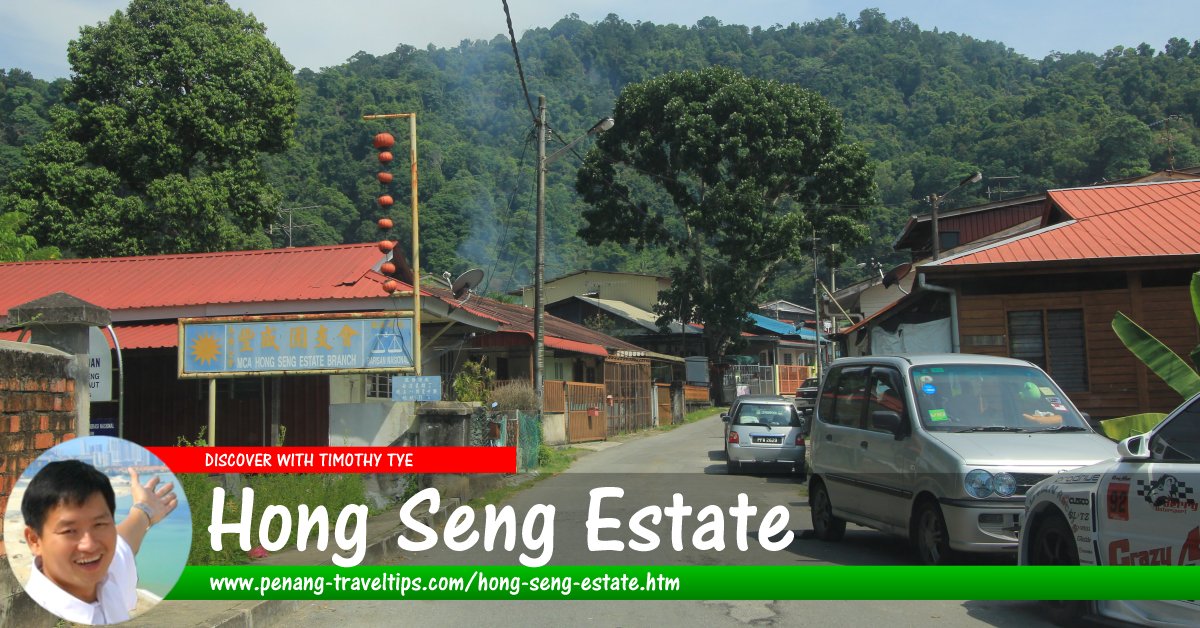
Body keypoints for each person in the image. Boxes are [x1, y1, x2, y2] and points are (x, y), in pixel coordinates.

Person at [20, 460, 178, 625]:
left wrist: (145, 509)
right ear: (34, 540)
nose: (89, 545)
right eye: (69, 531)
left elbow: (124, 542)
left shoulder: (106, 575)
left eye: (99, 524)